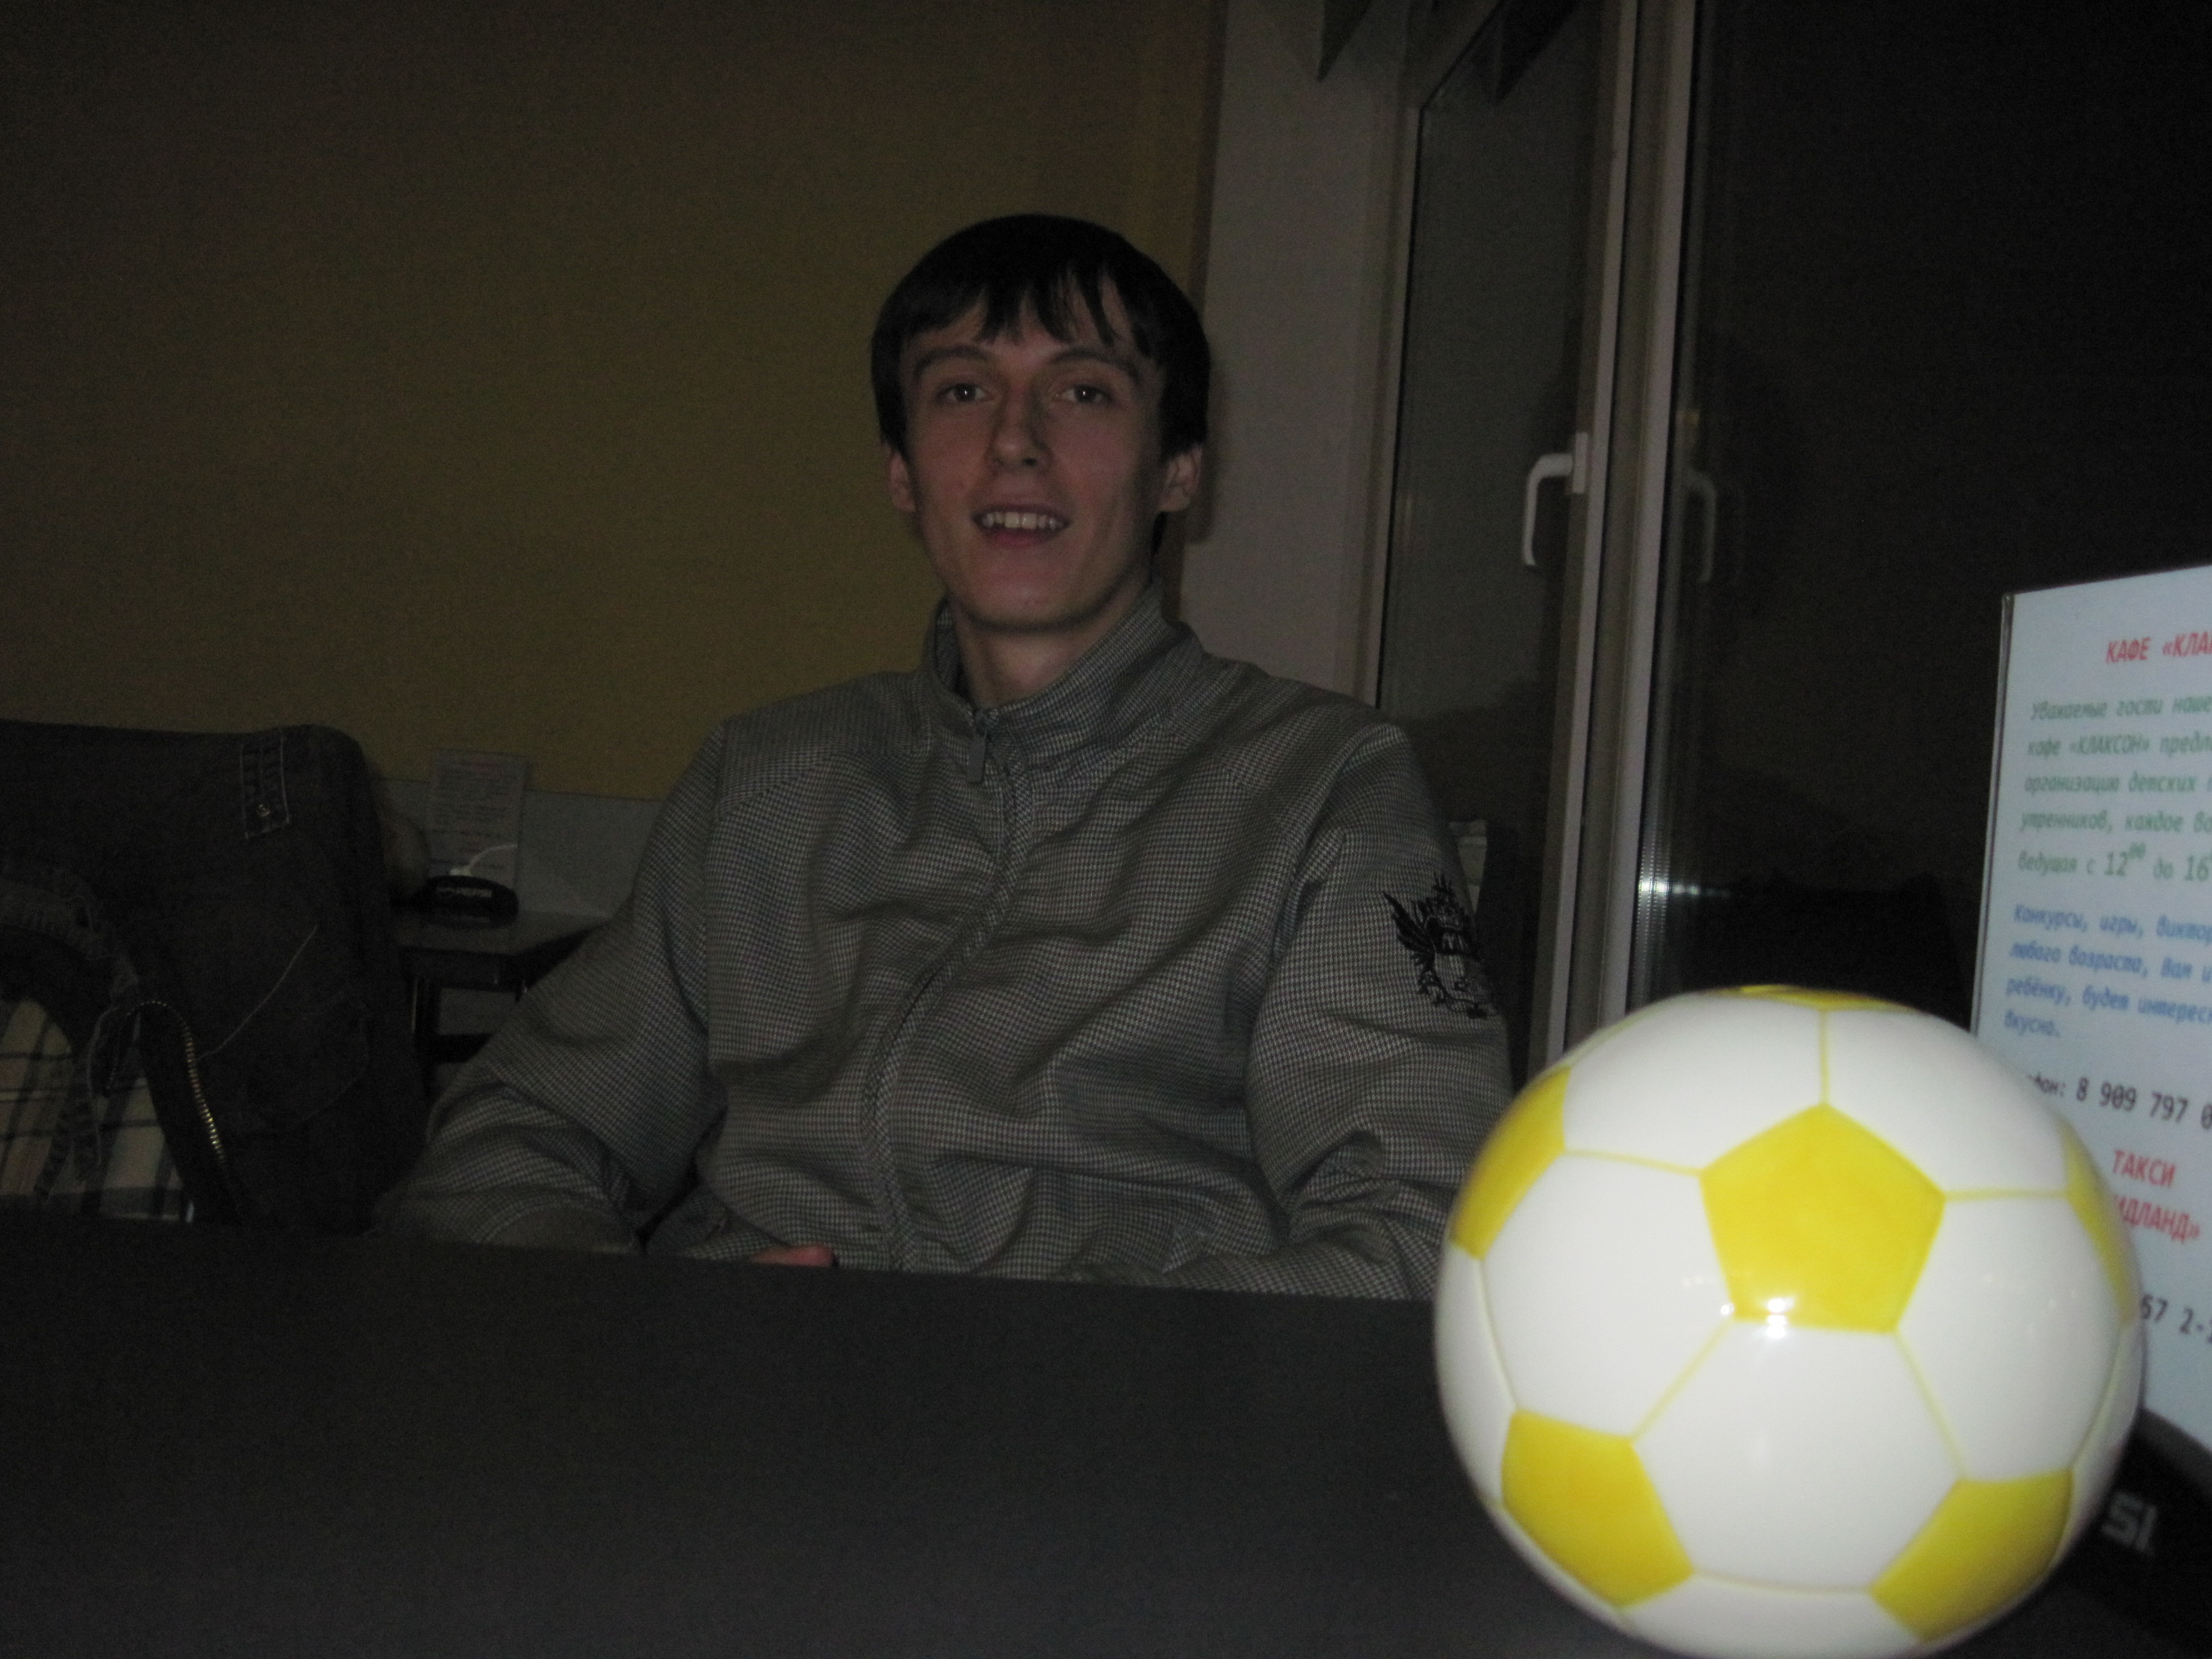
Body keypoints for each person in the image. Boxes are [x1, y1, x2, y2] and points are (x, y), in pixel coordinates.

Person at [381, 214, 1510, 1297]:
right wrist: (640, 1317)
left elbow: (1418, 1234)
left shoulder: (1323, 791)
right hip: (735, 1400)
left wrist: (1049, 1365)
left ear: (1179, 469)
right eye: (963, 391)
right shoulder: (765, 785)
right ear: (903, 474)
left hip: (1119, 1409)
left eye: (1083, 391)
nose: (1015, 441)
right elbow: (510, 1138)